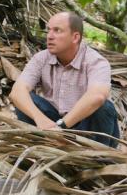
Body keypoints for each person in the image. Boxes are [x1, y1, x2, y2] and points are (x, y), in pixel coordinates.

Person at [9, 11, 119, 147]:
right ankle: (40, 150)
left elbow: (97, 96)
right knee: (26, 99)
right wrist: (41, 120)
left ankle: (100, 161)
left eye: (57, 31)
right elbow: (17, 92)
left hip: (88, 129)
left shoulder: (95, 61)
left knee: (104, 107)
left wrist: (62, 126)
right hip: (52, 125)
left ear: (75, 37)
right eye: (48, 30)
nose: (49, 36)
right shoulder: (41, 58)